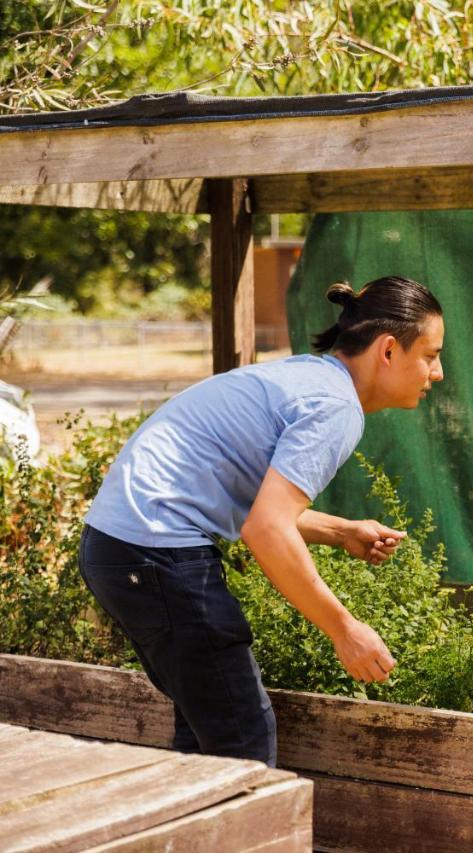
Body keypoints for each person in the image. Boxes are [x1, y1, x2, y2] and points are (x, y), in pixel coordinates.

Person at [79, 275, 445, 767]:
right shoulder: (336, 408)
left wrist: (340, 531)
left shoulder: (309, 377)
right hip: (156, 551)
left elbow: (262, 508)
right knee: (242, 740)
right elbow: (266, 530)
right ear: (387, 351)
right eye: (430, 355)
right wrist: (344, 629)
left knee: (206, 736)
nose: (437, 373)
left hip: (118, 549)